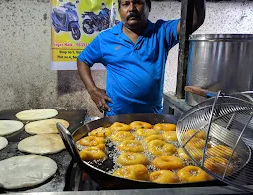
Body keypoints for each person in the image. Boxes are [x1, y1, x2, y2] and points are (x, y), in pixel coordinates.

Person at [77, 0, 205, 116]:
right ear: (119, 10)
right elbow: (83, 60)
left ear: (148, 6)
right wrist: (92, 89)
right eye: (126, 4)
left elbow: (194, 20)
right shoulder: (106, 38)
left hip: (151, 120)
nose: (131, 8)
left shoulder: (161, 32)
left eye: (137, 2)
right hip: (115, 118)